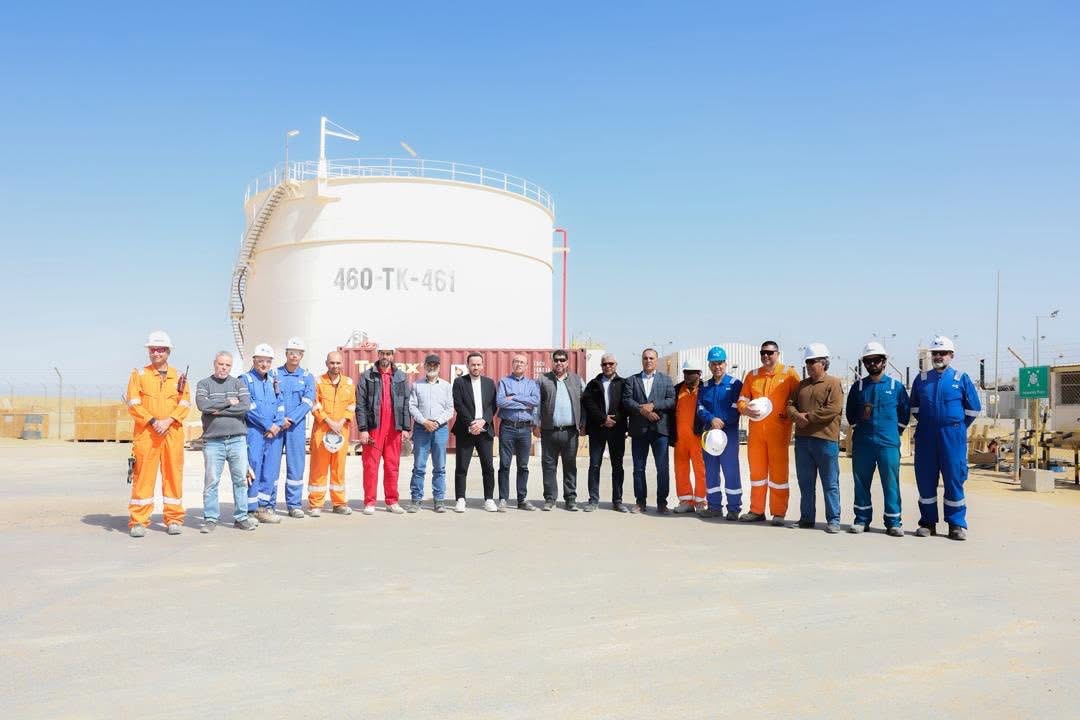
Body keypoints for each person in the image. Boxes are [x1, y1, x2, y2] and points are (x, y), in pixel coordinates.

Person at [910, 336, 981, 540]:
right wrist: (931, 422)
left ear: (952, 355)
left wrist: (956, 426)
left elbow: (973, 409)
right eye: (935, 353)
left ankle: (955, 525)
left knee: (953, 478)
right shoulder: (922, 379)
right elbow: (915, 408)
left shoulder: (961, 378)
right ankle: (927, 523)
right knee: (925, 479)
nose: (938, 356)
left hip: (952, 437)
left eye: (943, 353)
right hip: (927, 436)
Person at [125, 330, 191, 537]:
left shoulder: (179, 376)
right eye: (153, 349)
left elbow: (185, 403)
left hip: (172, 432)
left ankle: (174, 519)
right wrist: (153, 421)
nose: (156, 353)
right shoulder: (139, 375)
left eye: (160, 349)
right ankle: (138, 521)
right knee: (143, 476)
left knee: (173, 476)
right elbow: (133, 403)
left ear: (168, 352)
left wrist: (169, 420)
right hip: (147, 434)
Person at [845, 341, 910, 537]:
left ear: (884, 361)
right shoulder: (859, 387)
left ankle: (893, 522)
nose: (872, 364)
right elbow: (850, 413)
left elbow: (904, 413)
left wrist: (894, 432)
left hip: (888, 444)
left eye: (876, 360)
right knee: (861, 482)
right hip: (863, 444)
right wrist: (859, 430)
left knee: (891, 483)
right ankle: (861, 519)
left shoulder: (896, 387)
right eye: (868, 361)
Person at [737, 340, 800, 525]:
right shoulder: (752, 376)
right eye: (763, 352)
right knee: (757, 474)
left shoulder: (789, 374)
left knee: (779, 475)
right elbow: (742, 399)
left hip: (779, 433)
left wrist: (791, 416)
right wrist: (745, 409)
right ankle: (756, 510)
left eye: (770, 352)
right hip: (756, 434)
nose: (766, 355)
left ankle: (778, 513)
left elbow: (798, 399)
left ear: (777, 354)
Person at [195, 351, 257, 532]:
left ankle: (241, 517)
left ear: (231, 366)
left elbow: (244, 407)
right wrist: (229, 402)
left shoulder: (238, 383)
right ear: (214, 364)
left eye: (227, 365)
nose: (224, 368)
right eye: (221, 364)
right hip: (213, 442)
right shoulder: (204, 384)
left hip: (237, 440)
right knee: (212, 481)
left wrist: (216, 410)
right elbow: (203, 406)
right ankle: (211, 518)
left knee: (240, 480)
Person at [788, 343, 845, 533]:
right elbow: (790, 405)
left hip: (826, 441)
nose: (810, 365)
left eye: (813, 362)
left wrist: (808, 417)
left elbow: (833, 409)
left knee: (830, 483)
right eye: (808, 362)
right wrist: (796, 415)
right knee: (805, 484)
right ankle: (806, 519)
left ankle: (834, 520)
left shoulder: (833, 383)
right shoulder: (801, 386)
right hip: (803, 441)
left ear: (824, 363)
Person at [356, 342, 412, 515]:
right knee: (370, 466)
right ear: (378, 354)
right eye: (382, 353)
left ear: (392, 355)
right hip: (374, 428)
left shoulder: (401, 377)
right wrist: (363, 429)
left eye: (388, 353)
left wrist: (405, 427)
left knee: (392, 466)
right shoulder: (367, 376)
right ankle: (370, 502)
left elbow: (406, 403)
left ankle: (392, 501)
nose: (385, 357)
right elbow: (360, 404)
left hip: (394, 429)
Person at [264, 337, 315, 519]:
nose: (294, 356)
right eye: (291, 352)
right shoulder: (274, 374)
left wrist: (291, 419)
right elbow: (268, 398)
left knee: (296, 466)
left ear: (302, 356)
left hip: (296, 428)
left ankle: (294, 505)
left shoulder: (307, 377)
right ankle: (268, 504)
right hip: (276, 427)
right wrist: (279, 421)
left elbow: (308, 402)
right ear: (286, 354)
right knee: (271, 465)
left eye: (298, 353)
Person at [622, 348, 676, 513]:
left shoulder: (666, 380)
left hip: (660, 431)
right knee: (639, 468)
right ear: (642, 360)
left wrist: (654, 406)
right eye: (645, 358)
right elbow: (627, 400)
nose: (648, 361)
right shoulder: (632, 380)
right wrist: (642, 410)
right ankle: (640, 502)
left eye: (651, 358)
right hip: (639, 431)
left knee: (662, 468)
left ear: (656, 360)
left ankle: (662, 502)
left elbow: (671, 401)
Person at [695, 346, 743, 520]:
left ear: (725, 363)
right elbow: (700, 408)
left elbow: (737, 407)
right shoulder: (705, 386)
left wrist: (721, 421)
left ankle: (734, 508)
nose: (717, 367)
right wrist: (711, 419)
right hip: (709, 434)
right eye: (714, 363)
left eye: (720, 363)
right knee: (711, 470)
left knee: (731, 470)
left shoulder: (735, 384)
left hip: (728, 433)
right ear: (709, 365)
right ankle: (714, 507)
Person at [307, 351, 356, 516]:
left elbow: (351, 405)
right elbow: (315, 405)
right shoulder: (318, 382)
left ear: (342, 363)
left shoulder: (349, 383)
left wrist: (341, 422)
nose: (335, 366)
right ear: (326, 363)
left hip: (341, 431)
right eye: (332, 363)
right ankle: (316, 504)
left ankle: (339, 503)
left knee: (338, 469)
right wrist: (329, 422)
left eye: (338, 363)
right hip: (322, 431)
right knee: (319, 468)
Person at [242, 343, 285, 524]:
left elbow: (280, 404)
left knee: (270, 470)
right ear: (254, 361)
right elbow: (248, 407)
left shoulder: (273, 380)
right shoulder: (245, 380)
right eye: (260, 361)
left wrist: (277, 424)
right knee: (253, 468)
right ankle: (250, 510)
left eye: (268, 361)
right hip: (255, 432)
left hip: (274, 434)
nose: (264, 364)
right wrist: (268, 425)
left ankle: (263, 508)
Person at [537, 350, 585, 511]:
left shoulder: (577, 380)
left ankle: (570, 498)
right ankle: (550, 498)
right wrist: (536, 424)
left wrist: (583, 424)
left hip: (570, 432)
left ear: (567, 362)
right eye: (556, 360)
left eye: (562, 360)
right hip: (549, 431)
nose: (559, 363)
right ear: (552, 361)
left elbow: (585, 403)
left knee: (570, 465)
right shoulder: (543, 380)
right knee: (548, 465)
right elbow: (537, 403)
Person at [581, 353, 629, 512]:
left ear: (616, 365)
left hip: (617, 429)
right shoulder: (593, 384)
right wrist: (603, 419)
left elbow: (627, 404)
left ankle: (618, 501)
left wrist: (615, 419)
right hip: (598, 429)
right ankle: (593, 500)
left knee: (617, 466)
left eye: (611, 363)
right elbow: (588, 402)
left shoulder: (624, 383)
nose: (608, 366)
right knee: (594, 465)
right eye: (604, 364)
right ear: (601, 366)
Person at [452, 352, 499, 512]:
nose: (476, 367)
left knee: (488, 467)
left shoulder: (489, 383)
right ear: (468, 366)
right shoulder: (459, 382)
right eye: (473, 364)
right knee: (461, 467)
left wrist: (483, 421)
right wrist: (472, 423)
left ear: (482, 365)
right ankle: (460, 499)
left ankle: (489, 499)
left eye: (478, 364)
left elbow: (493, 405)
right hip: (466, 430)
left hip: (485, 430)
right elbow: (458, 404)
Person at [408, 354, 454, 513]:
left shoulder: (446, 386)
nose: (432, 367)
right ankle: (416, 500)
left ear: (439, 367)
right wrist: (424, 421)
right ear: (424, 366)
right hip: (421, 428)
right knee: (419, 466)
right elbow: (412, 406)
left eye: (435, 364)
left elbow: (450, 409)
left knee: (439, 467)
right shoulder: (416, 385)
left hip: (440, 429)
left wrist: (437, 422)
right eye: (429, 364)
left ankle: (439, 500)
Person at [496, 354, 541, 510]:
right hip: (507, 427)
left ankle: (522, 499)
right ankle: (503, 499)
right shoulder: (504, 381)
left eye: (522, 362)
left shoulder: (532, 384)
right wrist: (524, 402)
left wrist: (514, 397)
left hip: (525, 429)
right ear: (512, 364)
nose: (519, 364)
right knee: (504, 464)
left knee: (523, 466)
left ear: (526, 366)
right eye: (516, 362)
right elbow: (500, 402)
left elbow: (536, 401)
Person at [671, 360, 706, 513]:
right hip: (680, 439)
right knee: (681, 470)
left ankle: (701, 502)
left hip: (698, 438)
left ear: (699, 374)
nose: (687, 375)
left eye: (690, 373)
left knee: (701, 470)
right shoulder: (677, 390)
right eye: (685, 372)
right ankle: (686, 501)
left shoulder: (705, 389)